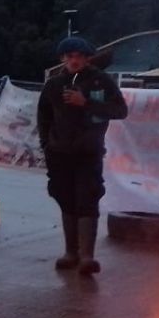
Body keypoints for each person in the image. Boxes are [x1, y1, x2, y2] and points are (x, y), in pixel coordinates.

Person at [37, 36, 127, 276]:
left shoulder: (101, 80)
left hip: (89, 153)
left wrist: (85, 103)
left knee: (87, 199)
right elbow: (43, 117)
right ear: (62, 59)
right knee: (65, 199)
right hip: (59, 154)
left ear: (87, 58)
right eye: (69, 56)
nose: (74, 60)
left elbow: (120, 110)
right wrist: (47, 144)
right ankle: (71, 252)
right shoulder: (53, 85)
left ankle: (87, 256)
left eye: (78, 56)